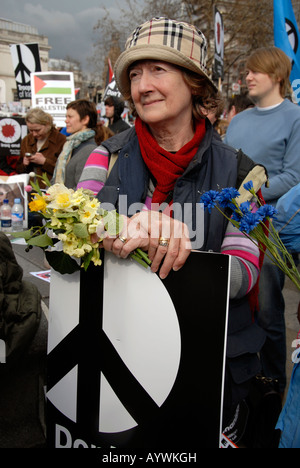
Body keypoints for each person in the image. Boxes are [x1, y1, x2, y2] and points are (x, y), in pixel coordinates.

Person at [82, 17, 269, 441]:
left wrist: (179, 244)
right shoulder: (104, 158)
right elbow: (74, 235)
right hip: (118, 357)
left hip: (206, 369)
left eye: (158, 70)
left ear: (195, 84)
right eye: (134, 74)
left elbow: (245, 272)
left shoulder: (242, 173)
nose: (142, 85)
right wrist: (120, 225)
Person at [225, 46, 300, 396]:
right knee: (234, 305)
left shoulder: (295, 118)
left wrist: (251, 188)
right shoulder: (238, 121)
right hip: (230, 224)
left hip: (271, 229)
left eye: (256, 71)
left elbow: (295, 175)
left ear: (278, 76)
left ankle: (272, 387)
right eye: (247, 71)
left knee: (268, 310)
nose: (248, 77)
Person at [52, 99, 98, 190]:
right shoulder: (69, 145)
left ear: (85, 119)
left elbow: (83, 189)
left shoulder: (89, 150)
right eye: (66, 116)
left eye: (70, 117)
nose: (66, 120)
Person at [16, 108, 66, 189]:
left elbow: (65, 171)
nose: (34, 134)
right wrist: (24, 164)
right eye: (31, 130)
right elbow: (19, 170)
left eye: (37, 130)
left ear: (47, 125)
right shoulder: (27, 140)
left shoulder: (61, 140)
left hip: (51, 191)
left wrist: (45, 162)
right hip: (29, 190)